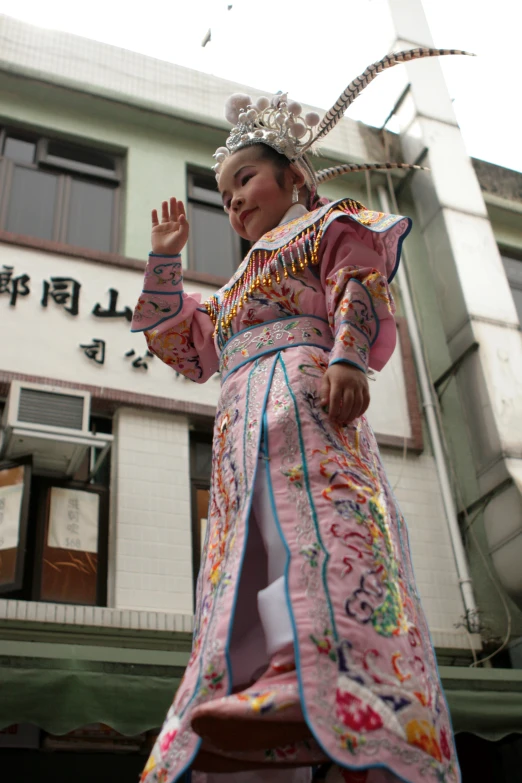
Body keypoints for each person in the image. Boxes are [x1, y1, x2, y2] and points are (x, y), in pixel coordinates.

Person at [132, 48, 471, 783]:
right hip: (238, 429)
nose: (233, 202)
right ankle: (248, 680)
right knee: (249, 547)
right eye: (221, 194)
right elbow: (183, 346)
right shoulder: (229, 292)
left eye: (244, 180)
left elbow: (359, 277)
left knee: (315, 536)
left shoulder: (326, 229)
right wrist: (164, 260)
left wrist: (348, 355)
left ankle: (318, 673)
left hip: (306, 405)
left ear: (294, 178)